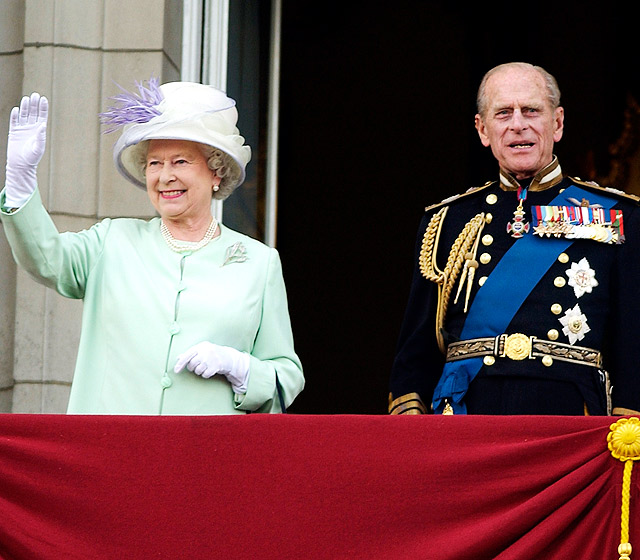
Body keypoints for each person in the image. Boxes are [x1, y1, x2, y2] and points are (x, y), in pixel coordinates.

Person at [0, 78, 304, 415]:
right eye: (154, 163)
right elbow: (45, 259)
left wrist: (242, 368)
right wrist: (20, 181)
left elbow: (285, 376)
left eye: (180, 162)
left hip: (203, 456)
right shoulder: (111, 242)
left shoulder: (259, 264)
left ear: (216, 172)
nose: (164, 176)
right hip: (109, 452)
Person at [388, 62, 640, 416]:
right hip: (466, 416)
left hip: (568, 420)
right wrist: (412, 415)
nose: (518, 124)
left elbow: (633, 337)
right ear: (483, 130)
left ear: (557, 123)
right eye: (503, 113)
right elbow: (417, 350)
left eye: (531, 110)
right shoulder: (447, 220)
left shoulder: (619, 215)